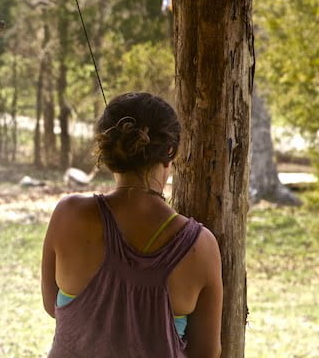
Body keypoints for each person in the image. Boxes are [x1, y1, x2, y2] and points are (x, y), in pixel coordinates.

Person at [41, 92, 222, 358]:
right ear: (170, 151)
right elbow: (206, 352)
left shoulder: (69, 215)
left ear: (108, 147)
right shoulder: (200, 245)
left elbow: (52, 305)